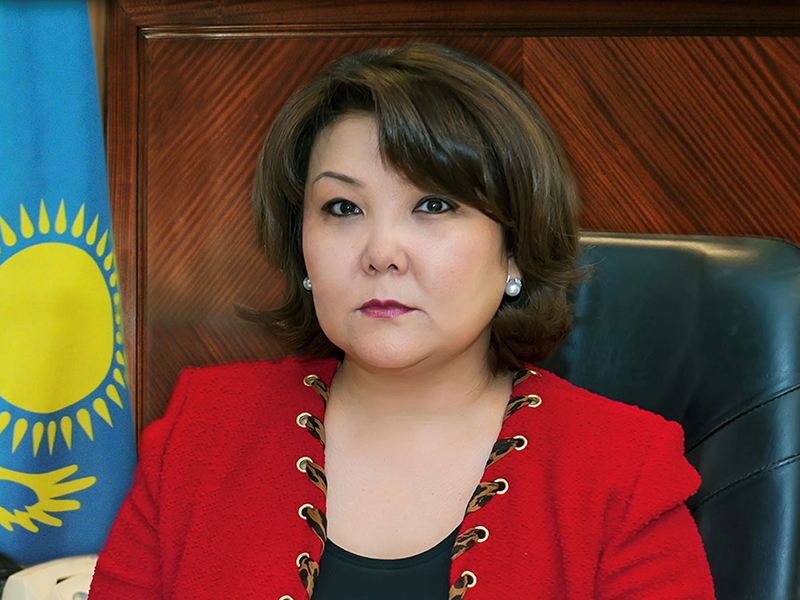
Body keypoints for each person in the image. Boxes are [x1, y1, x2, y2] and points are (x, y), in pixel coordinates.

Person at [89, 45, 715, 600]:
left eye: (433, 204)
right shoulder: (201, 432)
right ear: (301, 247)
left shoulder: (623, 472)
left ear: (515, 248)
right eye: (342, 207)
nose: (381, 252)